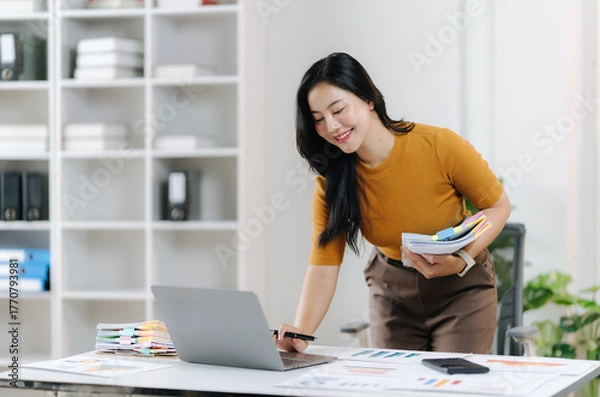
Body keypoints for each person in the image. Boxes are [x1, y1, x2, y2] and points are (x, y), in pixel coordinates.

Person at [274, 52, 511, 355]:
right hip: (392, 295)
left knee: (454, 385)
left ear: (369, 99)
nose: (331, 127)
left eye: (338, 110)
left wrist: (462, 258)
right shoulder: (332, 184)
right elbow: (323, 267)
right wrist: (301, 334)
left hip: (460, 287)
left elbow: (497, 206)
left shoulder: (439, 146)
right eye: (318, 119)